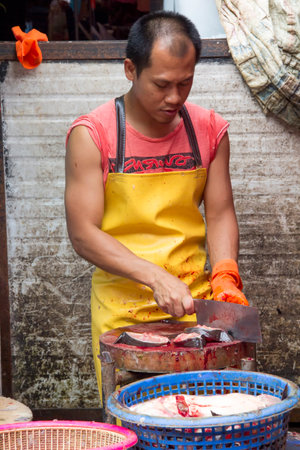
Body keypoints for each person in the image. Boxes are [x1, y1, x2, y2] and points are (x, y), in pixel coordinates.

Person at [65, 10, 248, 399]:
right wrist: (154, 276)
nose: (175, 97)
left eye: (186, 82)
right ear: (130, 69)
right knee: (136, 420)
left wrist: (226, 275)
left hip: (194, 309)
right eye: (162, 84)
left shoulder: (210, 131)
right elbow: (83, 233)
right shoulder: (93, 134)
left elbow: (218, 213)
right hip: (122, 314)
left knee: (204, 422)